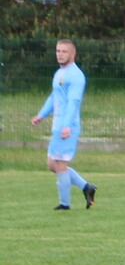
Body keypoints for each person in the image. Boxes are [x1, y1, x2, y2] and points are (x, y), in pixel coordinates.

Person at [32, 39, 95, 210]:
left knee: (60, 164)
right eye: (58, 51)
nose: (60, 54)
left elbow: (74, 101)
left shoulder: (76, 75)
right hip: (58, 125)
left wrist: (66, 125)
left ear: (73, 53)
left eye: (64, 51)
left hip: (68, 126)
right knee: (52, 164)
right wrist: (42, 114)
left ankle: (64, 205)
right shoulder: (59, 73)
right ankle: (87, 187)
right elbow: (54, 97)